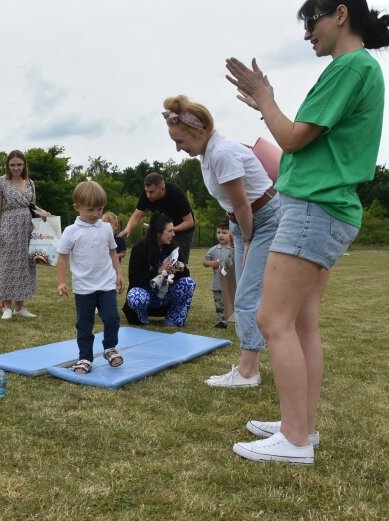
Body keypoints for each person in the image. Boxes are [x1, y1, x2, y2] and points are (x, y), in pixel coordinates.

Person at [225, 0, 389, 464]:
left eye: (310, 21)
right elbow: (302, 139)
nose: (306, 34)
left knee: (271, 320)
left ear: (340, 14)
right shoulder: (361, 68)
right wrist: (267, 104)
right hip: (329, 208)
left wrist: (265, 99)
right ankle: (302, 425)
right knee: (300, 322)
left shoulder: (351, 67)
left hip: (315, 209)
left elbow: (293, 137)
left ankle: (295, 439)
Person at [163, 94, 279, 388]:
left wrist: (248, 240)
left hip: (260, 221)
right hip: (242, 222)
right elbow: (236, 209)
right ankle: (249, 366)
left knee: (247, 296)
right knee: (247, 293)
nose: (178, 148)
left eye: (180, 141)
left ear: (199, 131)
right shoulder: (208, 153)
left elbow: (243, 205)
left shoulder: (222, 153)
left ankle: (248, 372)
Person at [56, 181, 125, 374]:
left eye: (99, 209)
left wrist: (118, 274)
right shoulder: (71, 231)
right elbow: (62, 257)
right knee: (85, 324)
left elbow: (113, 252)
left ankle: (110, 348)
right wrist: (61, 281)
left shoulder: (105, 229)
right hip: (84, 287)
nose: (95, 214)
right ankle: (85, 357)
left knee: (112, 318)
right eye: (90, 209)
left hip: (106, 284)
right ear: (77, 207)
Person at [0, 150, 50, 320]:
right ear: (8, 165)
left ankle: (20, 307)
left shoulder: (30, 182)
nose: (16, 168)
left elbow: (32, 206)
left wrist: (43, 213)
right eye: (12, 165)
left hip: (27, 228)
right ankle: (7, 307)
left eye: (19, 164)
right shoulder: (1, 182)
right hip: (8, 225)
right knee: (7, 265)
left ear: (24, 165)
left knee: (26, 265)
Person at [125, 212, 196, 327]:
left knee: (189, 283)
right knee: (135, 295)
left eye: (173, 230)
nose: (173, 234)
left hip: (165, 294)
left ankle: (173, 319)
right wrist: (157, 272)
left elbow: (186, 273)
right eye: (170, 231)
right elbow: (134, 279)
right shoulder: (140, 248)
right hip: (147, 294)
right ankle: (141, 318)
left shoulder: (173, 247)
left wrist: (176, 269)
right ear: (158, 233)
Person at [118, 173, 196, 264]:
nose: (148, 195)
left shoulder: (176, 193)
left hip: (183, 232)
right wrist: (128, 228)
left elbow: (190, 222)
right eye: (146, 191)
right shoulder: (147, 195)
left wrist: (169, 230)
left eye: (151, 192)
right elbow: (137, 215)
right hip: (164, 231)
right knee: (158, 261)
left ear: (162, 189)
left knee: (178, 264)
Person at [203, 219, 234, 329]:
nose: (221, 235)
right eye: (218, 232)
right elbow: (205, 261)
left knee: (234, 302)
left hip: (233, 284)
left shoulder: (236, 249)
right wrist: (210, 263)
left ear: (232, 233)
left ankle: (236, 319)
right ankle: (222, 321)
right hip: (218, 283)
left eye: (224, 233)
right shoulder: (214, 249)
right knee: (219, 303)